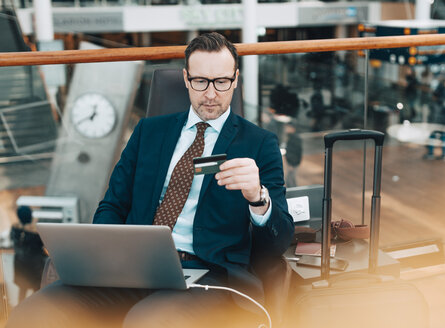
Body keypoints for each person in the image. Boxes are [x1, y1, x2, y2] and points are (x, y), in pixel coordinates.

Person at [7, 32, 294, 328]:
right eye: (200, 81)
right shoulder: (148, 132)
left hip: (208, 277)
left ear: (235, 79)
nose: (211, 94)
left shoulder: (260, 144)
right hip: (133, 268)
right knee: (34, 313)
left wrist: (258, 197)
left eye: (221, 82)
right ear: (186, 78)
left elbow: (279, 239)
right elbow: (112, 205)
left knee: (147, 322)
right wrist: (107, 256)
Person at [284, 122, 302, 187]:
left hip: (292, 163)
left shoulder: (295, 138)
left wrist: (292, 164)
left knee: (290, 180)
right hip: (291, 163)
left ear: (292, 128)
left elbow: (295, 152)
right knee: (289, 179)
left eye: (287, 127)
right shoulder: (291, 137)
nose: (286, 129)